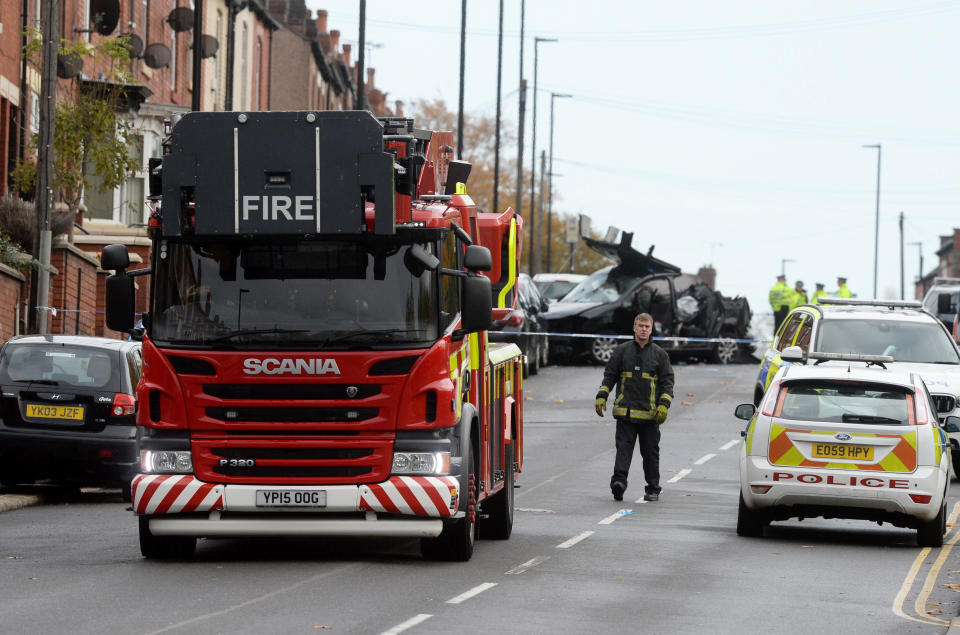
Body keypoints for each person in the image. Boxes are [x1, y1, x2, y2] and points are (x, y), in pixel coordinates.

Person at [594, 313, 675, 502]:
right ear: (634, 328)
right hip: (626, 413)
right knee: (623, 450)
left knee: (650, 454)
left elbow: (667, 382)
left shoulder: (660, 355)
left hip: (650, 416)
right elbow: (610, 375)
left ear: (651, 328)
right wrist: (602, 396)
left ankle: (653, 488)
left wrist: (664, 405)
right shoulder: (622, 351)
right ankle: (619, 484)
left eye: (647, 326)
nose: (643, 329)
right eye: (640, 325)